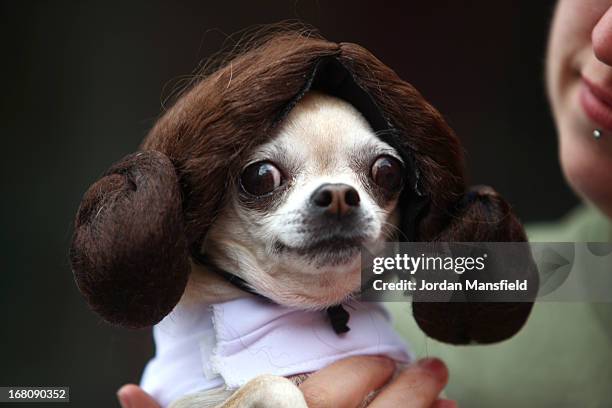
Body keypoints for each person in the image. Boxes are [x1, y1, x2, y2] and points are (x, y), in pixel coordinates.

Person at [118, 0, 612, 406]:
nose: (338, 198)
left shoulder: (470, 291)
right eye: (264, 179)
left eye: (381, 175)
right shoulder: (425, 293)